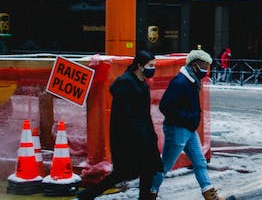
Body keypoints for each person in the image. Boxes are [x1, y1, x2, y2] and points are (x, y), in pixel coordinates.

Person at [76, 50, 162, 200]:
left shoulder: (140, 83)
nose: (153, 69)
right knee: (125, 173)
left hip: (143, 136)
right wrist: (140, 135)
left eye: (154, 65)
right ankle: (87, 194)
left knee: (147, 169)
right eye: (150, 65)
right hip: (129, 138)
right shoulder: (126, 84)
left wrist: (150, 135)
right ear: (140, 66)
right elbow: (124, 116)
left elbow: (144, 114)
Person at [151, 49, 228, 200]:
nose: (206, 70)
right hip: (178, 130)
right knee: (165, 165)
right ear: (193, 65)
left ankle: (210, 195)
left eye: (208, 66)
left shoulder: (192, 80)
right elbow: (165, 106)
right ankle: (150, 193)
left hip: (189, 130)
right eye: (204, 66)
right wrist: (187, 118)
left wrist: (190, 120)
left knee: (200, 162)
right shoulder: (181, 82)